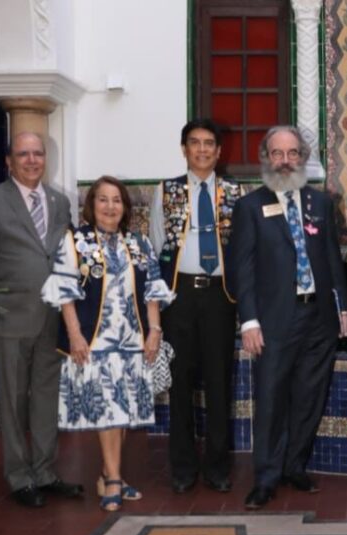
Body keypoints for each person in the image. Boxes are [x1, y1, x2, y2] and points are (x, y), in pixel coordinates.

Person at [229, 125, 347, 509]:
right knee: (270, 398)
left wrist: (342, 306)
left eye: (293, 153)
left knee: (309, 397)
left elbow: (333, 260)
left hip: (319, 317)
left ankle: (294, 466)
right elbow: (242, 270)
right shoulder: (249, 207)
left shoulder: (321, 203)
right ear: (266, 157)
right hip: (274, 321)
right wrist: (248, 321)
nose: (285, 161)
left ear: (302, 157)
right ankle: (265, 477)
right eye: (278, 153)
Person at [41, 176, 175, 511]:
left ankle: (108, 475)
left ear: (125, 207)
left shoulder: (139, 243)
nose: (110, 206)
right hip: (95, 339)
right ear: (92, 205)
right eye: (103, 199)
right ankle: (114, 480)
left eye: (117, 200)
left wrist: (154, 330)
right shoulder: (75, 241)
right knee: (108, 410)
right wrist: (74, 335)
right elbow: (65, 294)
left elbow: (153, 291)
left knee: (125, 408)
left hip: (133, 340)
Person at [0, 132, 82, 508]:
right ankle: (20, 478)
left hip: (53, 320)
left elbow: (66, 257)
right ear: (9, 161)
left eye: (37, 153)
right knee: (14, 402)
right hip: (8, 320)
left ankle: (45, 472)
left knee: (47, 399)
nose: (32, 160)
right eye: (23, 154)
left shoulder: (60, 202)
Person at [149, 118, 244, 494]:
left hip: (221, 296)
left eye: (209, 143)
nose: (202, 149)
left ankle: (218, 467)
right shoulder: (166, 191)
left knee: (220, 382)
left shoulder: (236, 193)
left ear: (219, 152)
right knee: (180, 383)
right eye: (194, 143)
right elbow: (157, 247)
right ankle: (183, 466)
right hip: (179, 296)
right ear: (184, 149)